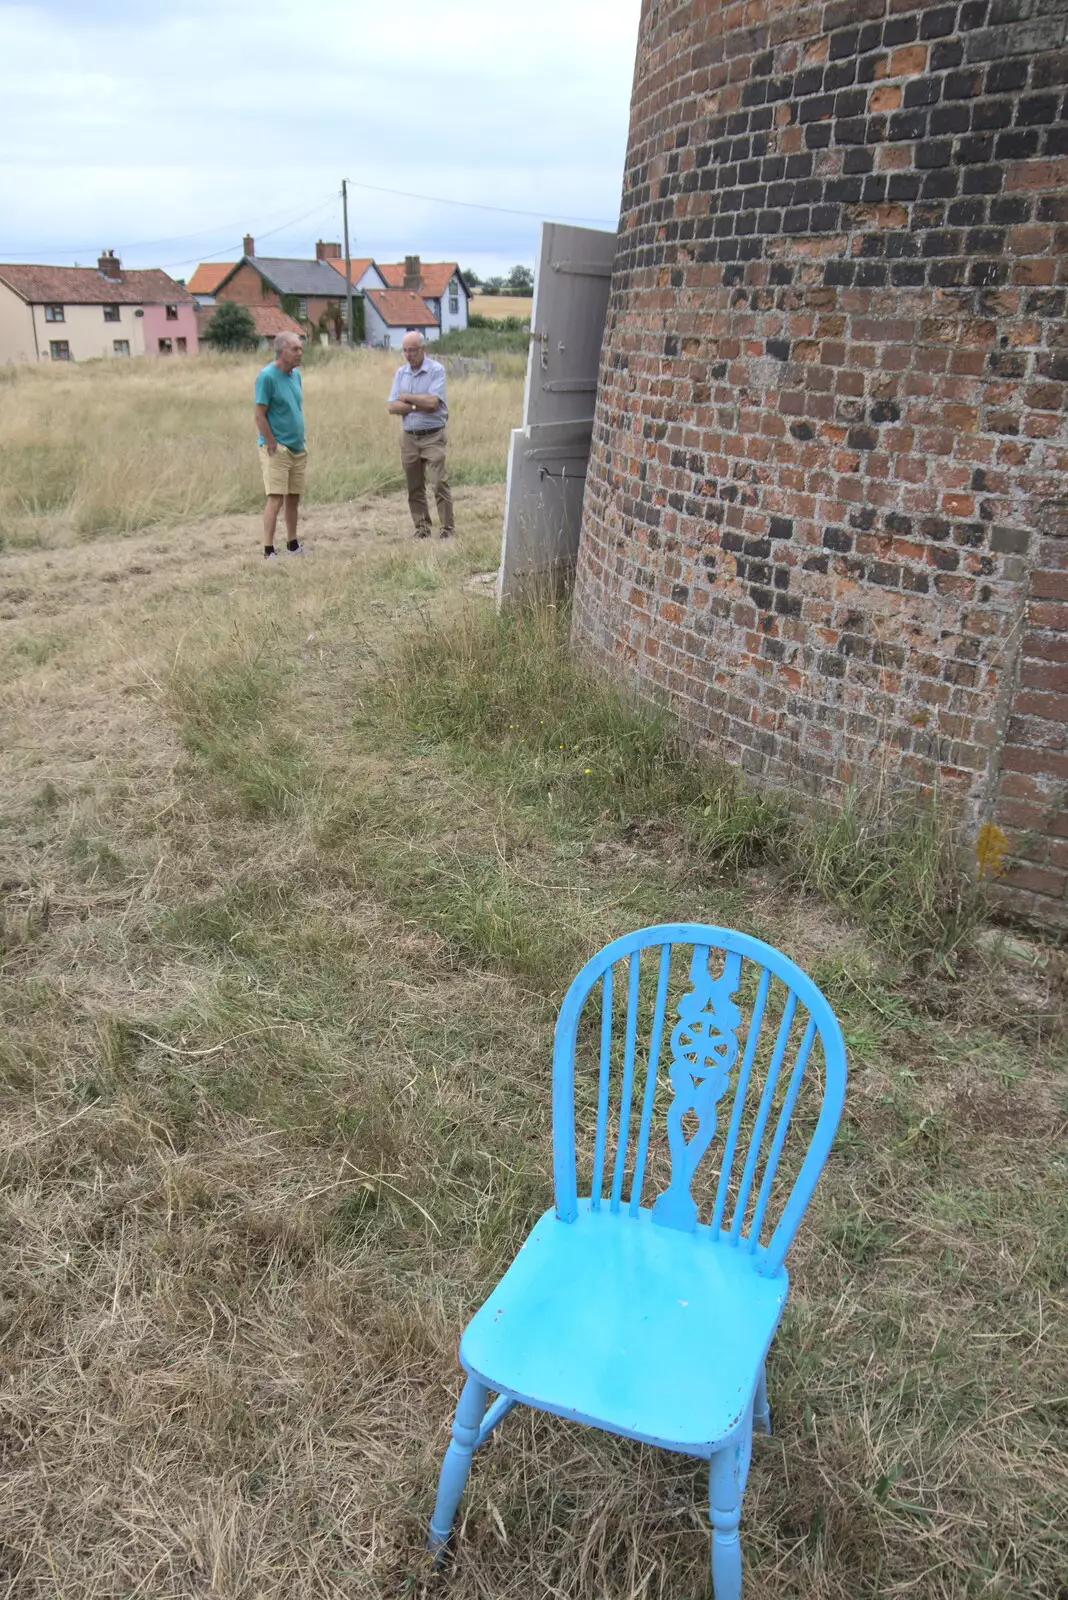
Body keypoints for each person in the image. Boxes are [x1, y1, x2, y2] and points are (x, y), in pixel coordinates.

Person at [387, 332, 454, 539]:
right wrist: (418, 404)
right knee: (414, 485)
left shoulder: (436, 370)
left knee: (438, 482)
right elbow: (392, 406)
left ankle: (447, 529)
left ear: (423, 349)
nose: (408, 355)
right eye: (405, 350)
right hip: (410, 437)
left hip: (433, 435)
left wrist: (407, 398)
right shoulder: (401, 373)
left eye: (413, 350)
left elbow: (433, 403)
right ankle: (422, 528)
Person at [254, 332, 308, 560]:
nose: (299, 353)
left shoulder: (295, 376)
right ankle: (268, 550)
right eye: (295, 349)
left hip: (297, 446)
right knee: (275, 498)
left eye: (300, 349)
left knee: (293, 497)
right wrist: (271, 443)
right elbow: (259, 415)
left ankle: (293, 544)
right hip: (277, 449)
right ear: (281, 351)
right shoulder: (266, 377)